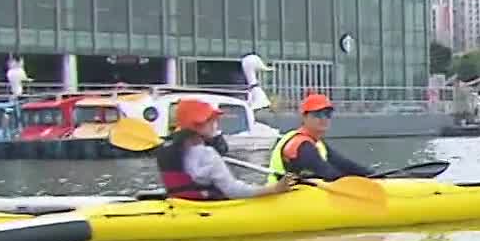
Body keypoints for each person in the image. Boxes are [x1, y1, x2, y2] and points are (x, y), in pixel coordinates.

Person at [158, 98, 294, 201]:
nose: (215, 125)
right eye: (211, 120)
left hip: (180, 204)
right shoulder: (208, 155)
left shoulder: (170, 148)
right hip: (205, 207)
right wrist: (273, 189)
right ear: (198, 125)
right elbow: (233, 191)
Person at [267, 92, 374, 182]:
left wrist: (371, 175)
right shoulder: (301, 145)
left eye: (327, 114)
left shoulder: (318, 143)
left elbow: (344, 164)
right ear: (304, 117)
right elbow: (329, 174)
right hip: (279, 197)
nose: (324, 119)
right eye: (317, 114)